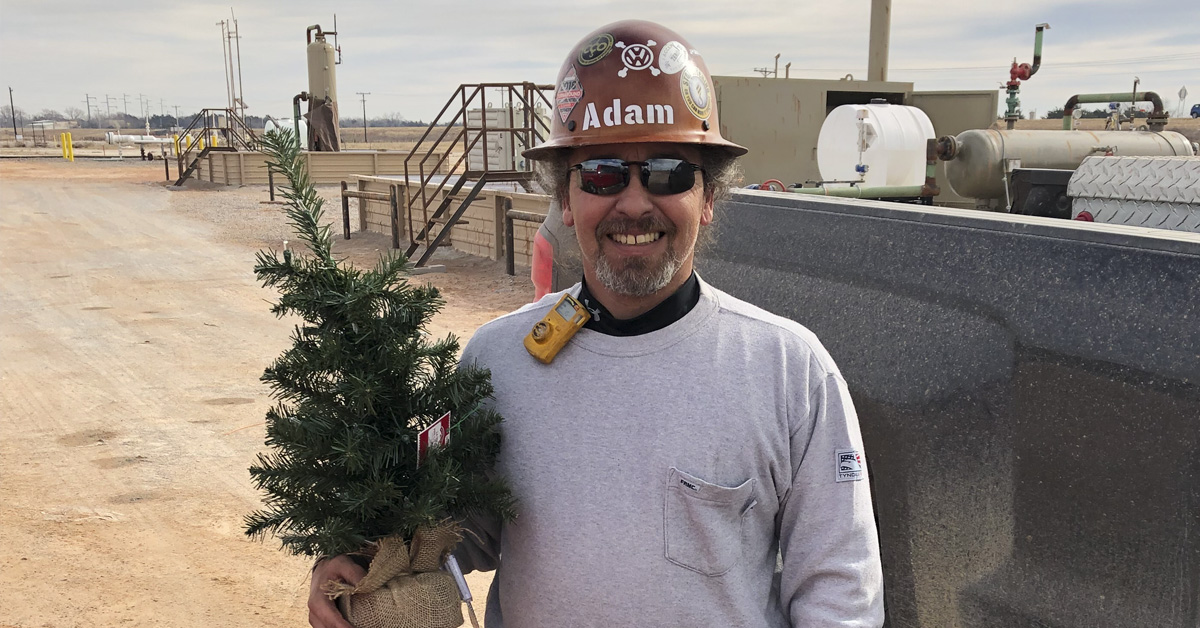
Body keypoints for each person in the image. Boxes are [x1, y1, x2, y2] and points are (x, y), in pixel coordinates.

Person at [310, 19, 883, 628]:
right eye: (604, 173)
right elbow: (458, 535)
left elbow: (839, 590)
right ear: (564, 198)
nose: (634, 203)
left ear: (708, 198)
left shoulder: (789, 371)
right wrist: (354, 563)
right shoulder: (498, 361)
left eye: (668, 172)